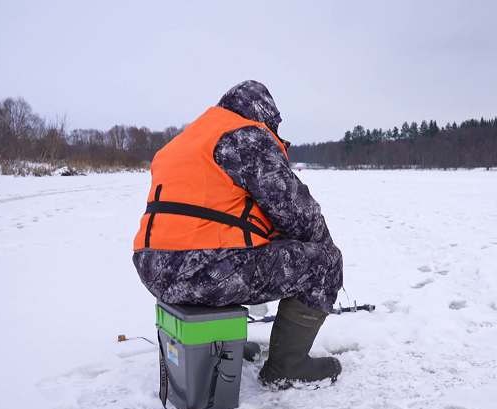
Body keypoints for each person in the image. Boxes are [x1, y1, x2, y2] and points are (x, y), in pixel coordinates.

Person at [132, 80, 343, 388]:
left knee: (238, 253)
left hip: (153, 268)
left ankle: (222, 343)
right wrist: (324, 248)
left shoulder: (188, 138)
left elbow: (208, 215)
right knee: (325, 263)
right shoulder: (247, 137)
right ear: (265, 113)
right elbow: (296, 214)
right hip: (202, 271)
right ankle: (287, 367)